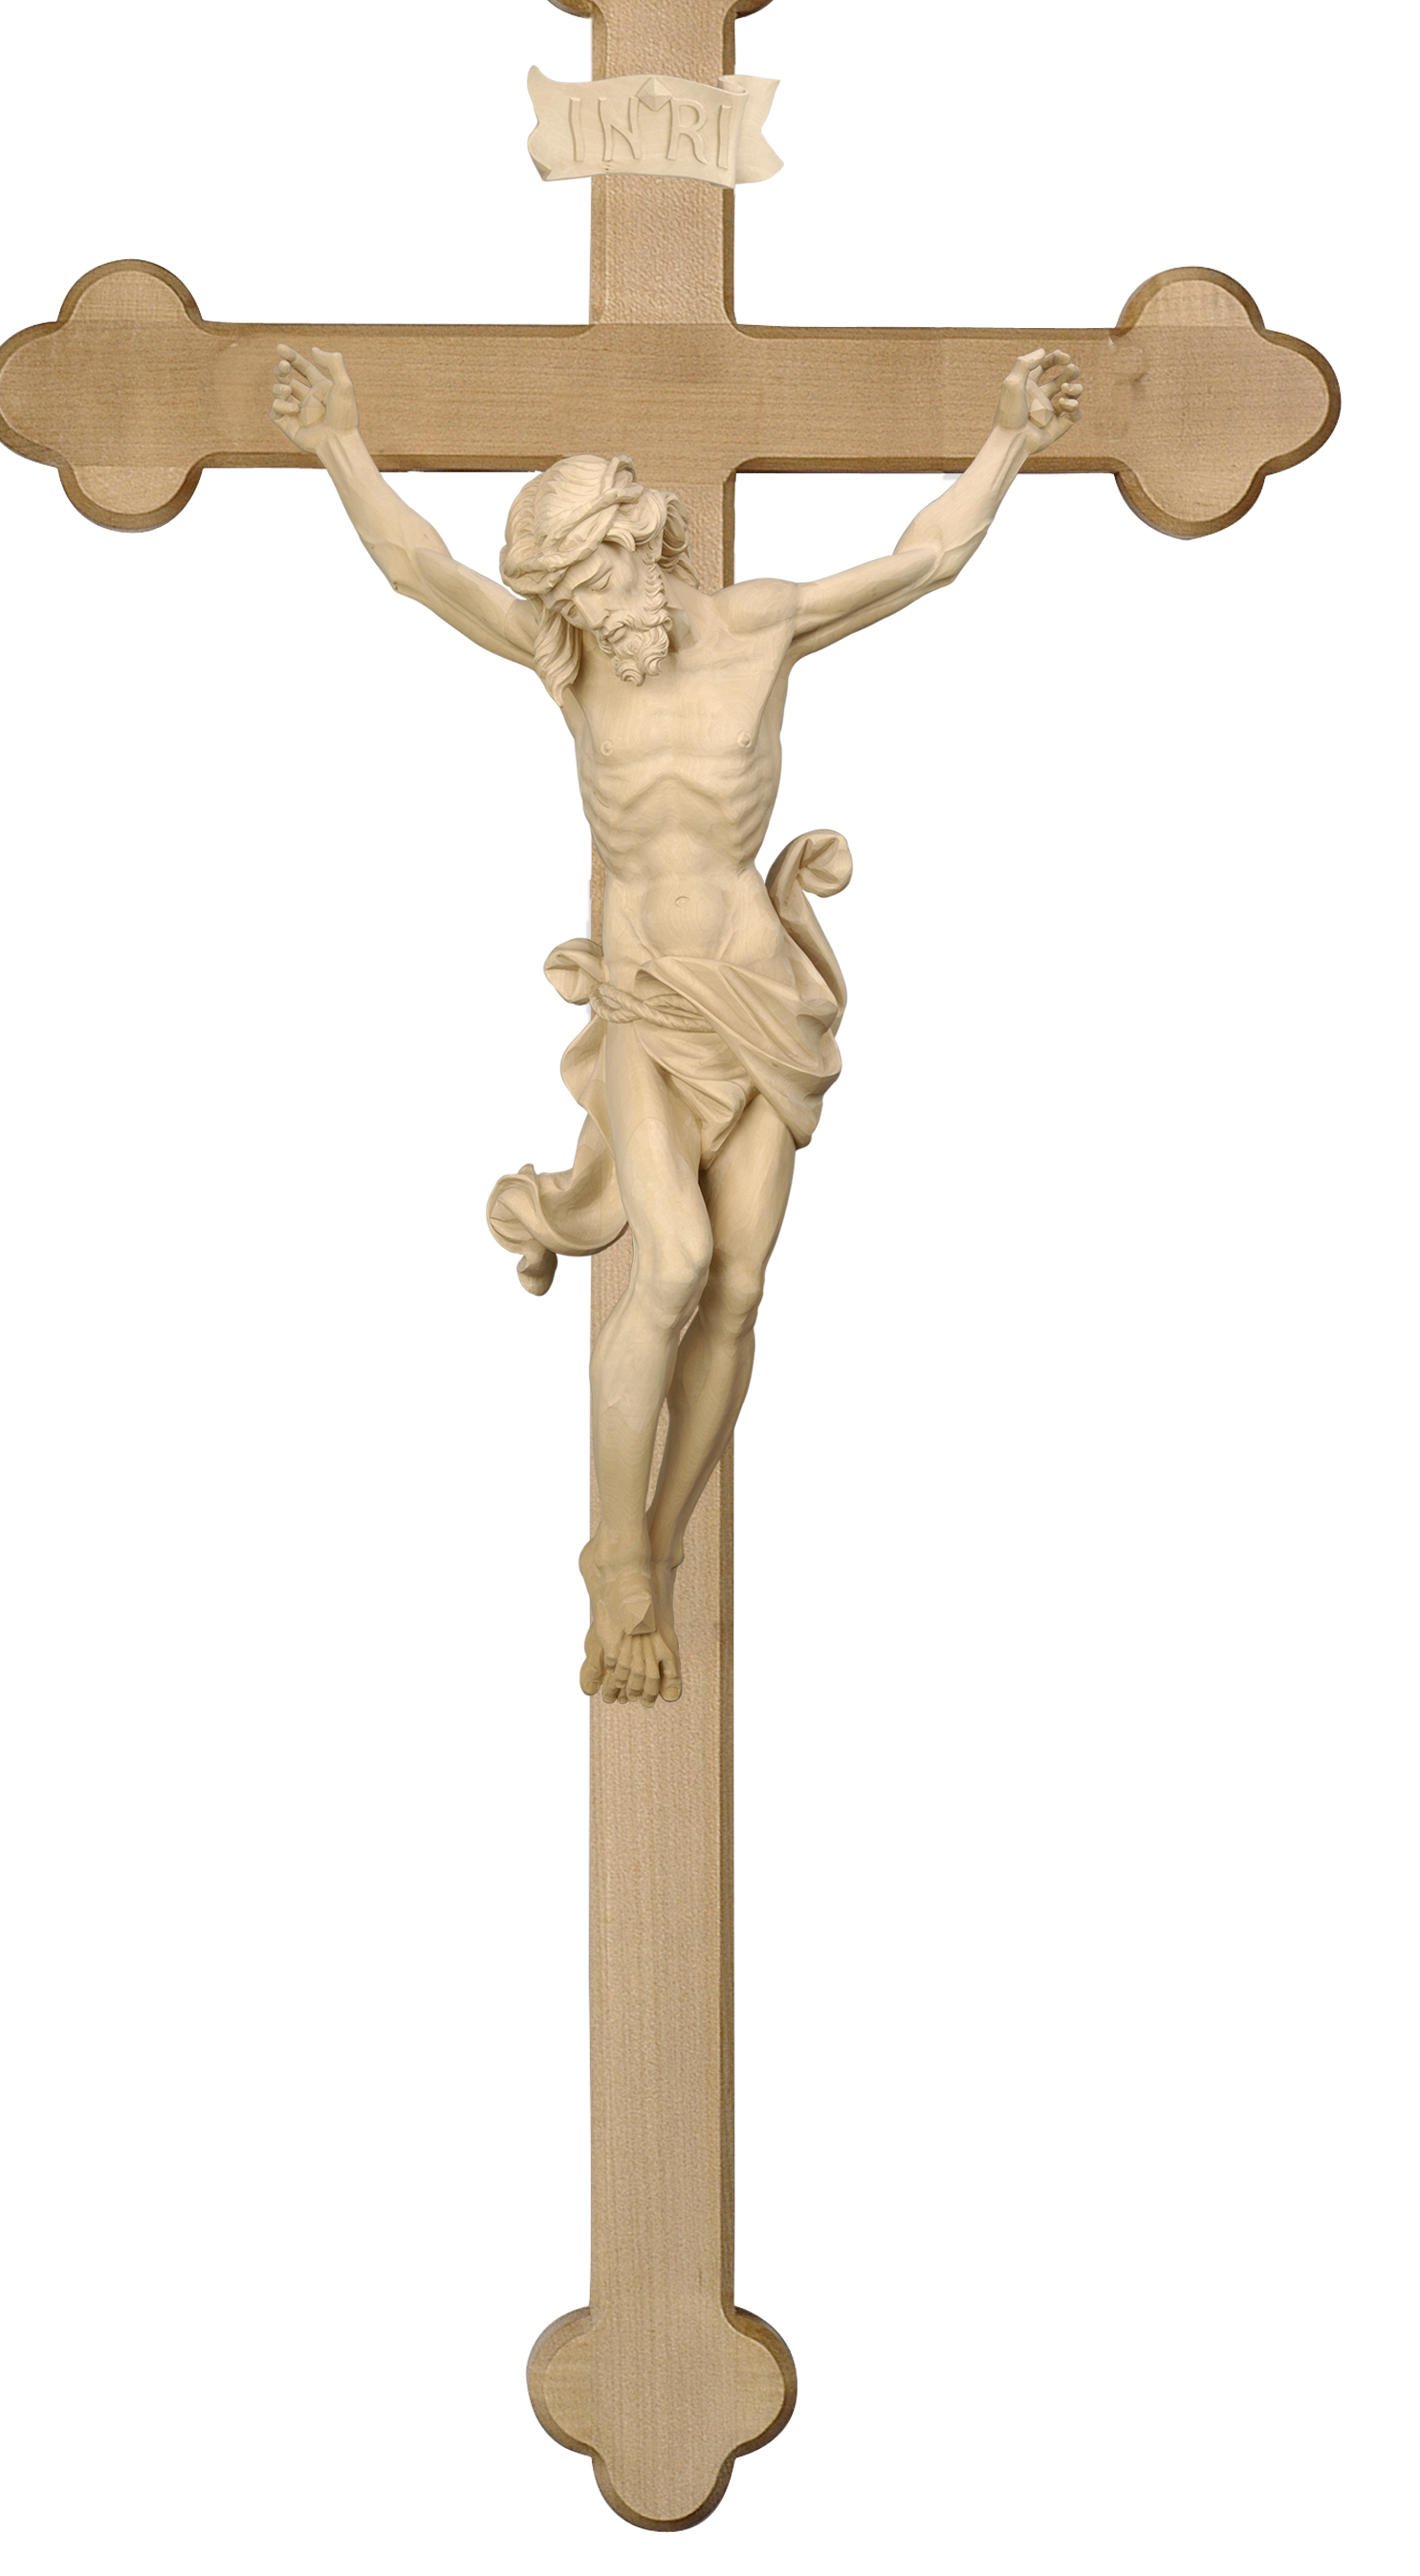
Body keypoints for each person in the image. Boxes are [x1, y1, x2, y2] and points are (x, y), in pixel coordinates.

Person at [271, 341, 1081, 1703]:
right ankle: (615, 1559)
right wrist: (339, 440)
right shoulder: (570, 656)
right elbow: (418, 569)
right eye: (568, 599)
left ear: (641, 542)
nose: (590, 615)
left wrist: (1009, 438)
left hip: (759, 994)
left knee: (741, 1286)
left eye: (597, 582)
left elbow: (924, 559)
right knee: (675, 1264)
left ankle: (659, 1536)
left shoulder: (756, 627)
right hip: (649, 998)